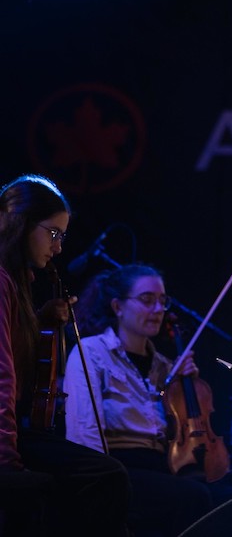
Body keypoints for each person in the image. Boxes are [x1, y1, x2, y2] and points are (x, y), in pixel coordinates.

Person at [64, 262, 232, 537]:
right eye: (147, 300)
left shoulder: (165, 367)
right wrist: (100, 484)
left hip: (162, 465)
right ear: (118, 307)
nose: (158, 310)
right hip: (119, 469)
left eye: (162, 301)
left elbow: (177, 433)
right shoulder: (90, 352)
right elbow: (84, 429)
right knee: (192, 496)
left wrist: (185, 388)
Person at [0, 173, 130, 536]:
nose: (58, 248)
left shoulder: (15, 282)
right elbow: (2, 380)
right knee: (106, 477)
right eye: (53, 233)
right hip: (3, 444)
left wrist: (39, 319)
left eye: (62, 236)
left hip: (11, 436)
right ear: (21, 224)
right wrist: (8, 464)